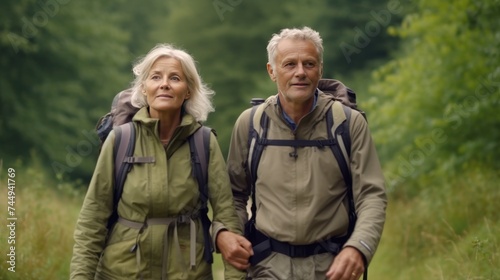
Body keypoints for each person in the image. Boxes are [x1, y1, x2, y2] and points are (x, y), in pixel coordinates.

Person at [70, 43, 252, 280]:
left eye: (175, 78)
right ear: (144, 88)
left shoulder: (204, 142)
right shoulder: (121, 139)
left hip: (188, 273)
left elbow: (226, 216)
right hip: (122, 273)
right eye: (156, 77)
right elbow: (92, 220)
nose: (164, 83)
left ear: (188, 90)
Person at [227, 27, 387, 280]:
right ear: (272, 71)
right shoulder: (250, 125)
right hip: (267, 267)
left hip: (332, 268)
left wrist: (359, 248)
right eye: (289, 64)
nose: (300, 72)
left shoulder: (348, 123)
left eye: (309, 63)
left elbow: (372, 196)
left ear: (320, 69)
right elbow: (235, 195)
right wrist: (230, 238)